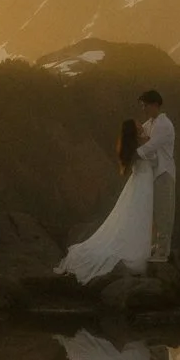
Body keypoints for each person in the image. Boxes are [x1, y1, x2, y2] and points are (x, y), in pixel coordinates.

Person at [58, 116, 156, 282]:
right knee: (143, 214)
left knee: (139, 215)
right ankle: (145, 246)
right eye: (137, 124)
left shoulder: (134, 145)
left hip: (141, 182)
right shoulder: (142, 144)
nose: (141, 124)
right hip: (144, 183)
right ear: (134, 131)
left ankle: (146, 244)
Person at [136, 89, 176, 266]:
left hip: (164, 173)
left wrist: (134, 155)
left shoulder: (164, 125)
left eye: (145, 105)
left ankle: (162, 251)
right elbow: (142, 137)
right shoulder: (149, 123)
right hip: (153, 174)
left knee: (163, 212)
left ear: (154, 105)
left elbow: (150, 146)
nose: (143, 109)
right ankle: (154, 247)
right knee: (153, 213)